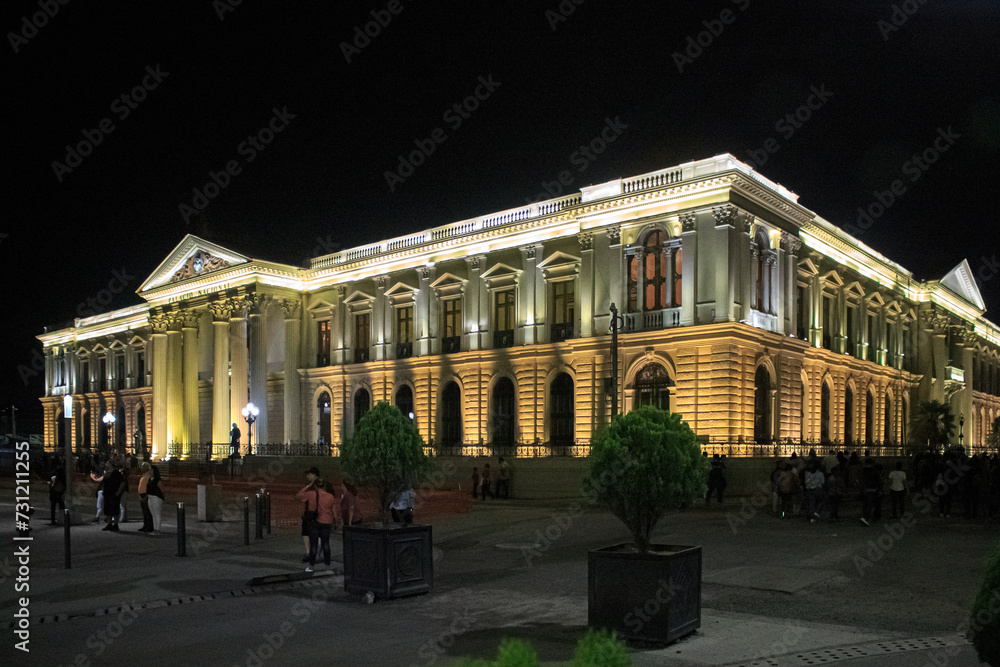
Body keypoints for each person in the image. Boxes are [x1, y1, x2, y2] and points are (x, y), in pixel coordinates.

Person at [297, 476, 336, 573]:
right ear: (325, 485)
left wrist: (308, 485)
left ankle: (311, 566)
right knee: (326, 544)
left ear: (315, 486)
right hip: (326, 522)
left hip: (314, 522)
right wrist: (335, 522)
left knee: (313, 545)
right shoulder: (330, 496)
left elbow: (298, 496)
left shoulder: (311, 494)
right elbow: (334, 511)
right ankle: (327, 566)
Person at [301, 467, 320, 562]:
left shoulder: (311, 486)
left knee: (307, 532)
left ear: (314, 475)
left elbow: (302, 497)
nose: (307, 476)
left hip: (311, 512)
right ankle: (314, 553)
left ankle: (310, 553)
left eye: (309, 474)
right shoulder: (324, 484)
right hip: (320, 512)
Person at [102, 457, 126, 532]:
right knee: (107, 508)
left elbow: (123, 482)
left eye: (108, 463)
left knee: (114, 508)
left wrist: (118, 491)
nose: (106, 464)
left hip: (114, 493)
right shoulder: (106, 473)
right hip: (107, 493)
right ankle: (109, 523)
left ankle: (115, 524)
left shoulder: (116, 473)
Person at [860, 458, 881, 526]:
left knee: (865, 504)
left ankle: (865, 516)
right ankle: (867, 518)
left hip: (864, 489)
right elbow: (878, 480)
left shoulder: (862, 471)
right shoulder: (874, 471)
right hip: (872, 489)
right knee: (870, 504)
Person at [49, 458, 66, 525]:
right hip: (58, 491)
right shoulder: (61, 474)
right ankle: (62, 518)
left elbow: (52, 483)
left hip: (54, 491)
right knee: (61, 505)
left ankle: (54, 519)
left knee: (53, 506)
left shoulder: (55, 475)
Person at [148, 463, 165, 532]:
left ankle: (158, 529)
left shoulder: (157, 480)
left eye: (151, 470)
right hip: (150, 497)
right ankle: (155, 528)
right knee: (153, 514)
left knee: (157, 514)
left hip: (156, 497)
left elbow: (162, 490)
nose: (149, 472)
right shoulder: (150, 479)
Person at [138, 462, 154, 532]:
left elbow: (149, 487)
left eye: (143, 466)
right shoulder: (143, 476)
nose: (141, 468)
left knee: (148, 512)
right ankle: (145, 525)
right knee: (144, 512)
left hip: (146, 495)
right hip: (142, 495)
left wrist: (146, 496)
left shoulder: (148, 476)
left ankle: (149, 526)